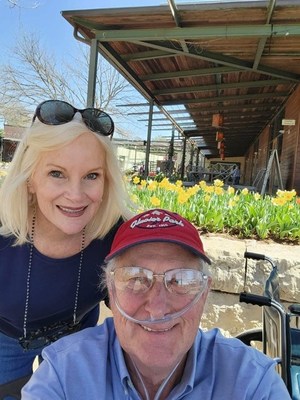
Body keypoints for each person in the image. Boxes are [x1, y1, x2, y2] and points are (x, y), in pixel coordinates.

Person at [21, 208, 291, 399]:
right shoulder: (63, 375)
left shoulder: (253, 384)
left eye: (181, 280)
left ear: (204, 293)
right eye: (137, 279)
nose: (158, 308)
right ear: (111, 292)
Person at [0, 100, 132, 391]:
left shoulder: (117, 236)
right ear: (30, 179)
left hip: (77, 334)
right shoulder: (3, 229)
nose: (75, 195)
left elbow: (137, 309)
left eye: (91, 176)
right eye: (56, 173)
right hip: (5, 338)